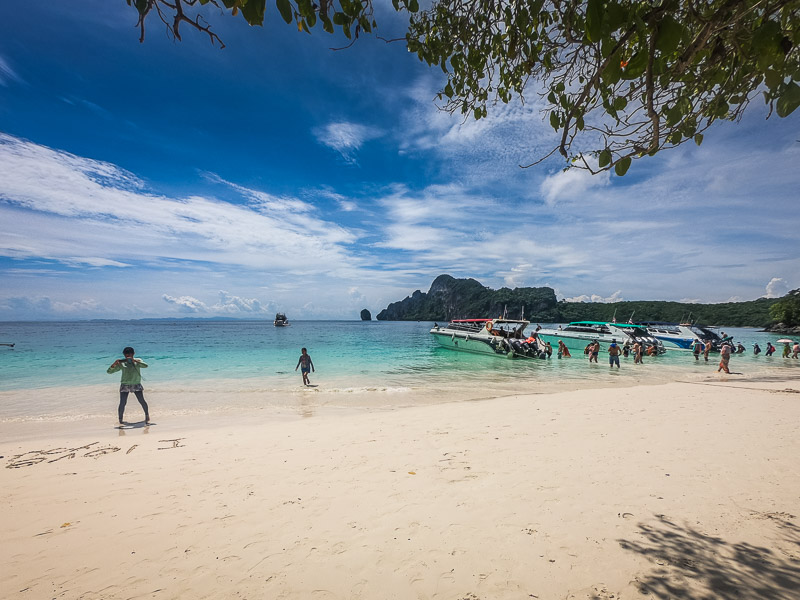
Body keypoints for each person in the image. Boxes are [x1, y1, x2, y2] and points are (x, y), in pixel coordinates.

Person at [107, 346, 150, 425]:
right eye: (126, 355)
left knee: (142, 401)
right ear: (124, 355)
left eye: (130, 355)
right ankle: (120, 420)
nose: (128, 356)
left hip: (136, 384)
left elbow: (146, 366)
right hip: (125, 384)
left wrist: (134, 361)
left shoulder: (138, 361)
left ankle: (147, 416)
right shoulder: (121, 363)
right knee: (122, 403)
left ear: (133, 354)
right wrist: (114, 364)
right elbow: (109, 372)